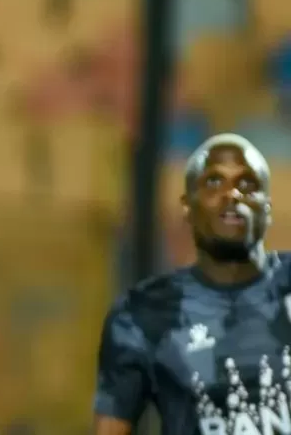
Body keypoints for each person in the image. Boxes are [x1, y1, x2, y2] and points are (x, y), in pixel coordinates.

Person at [93, 132, 291, 435]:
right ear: (187, 206)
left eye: (247, 184)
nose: (232, 195)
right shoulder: (141, 314)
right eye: (214, 182)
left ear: (267, 207)